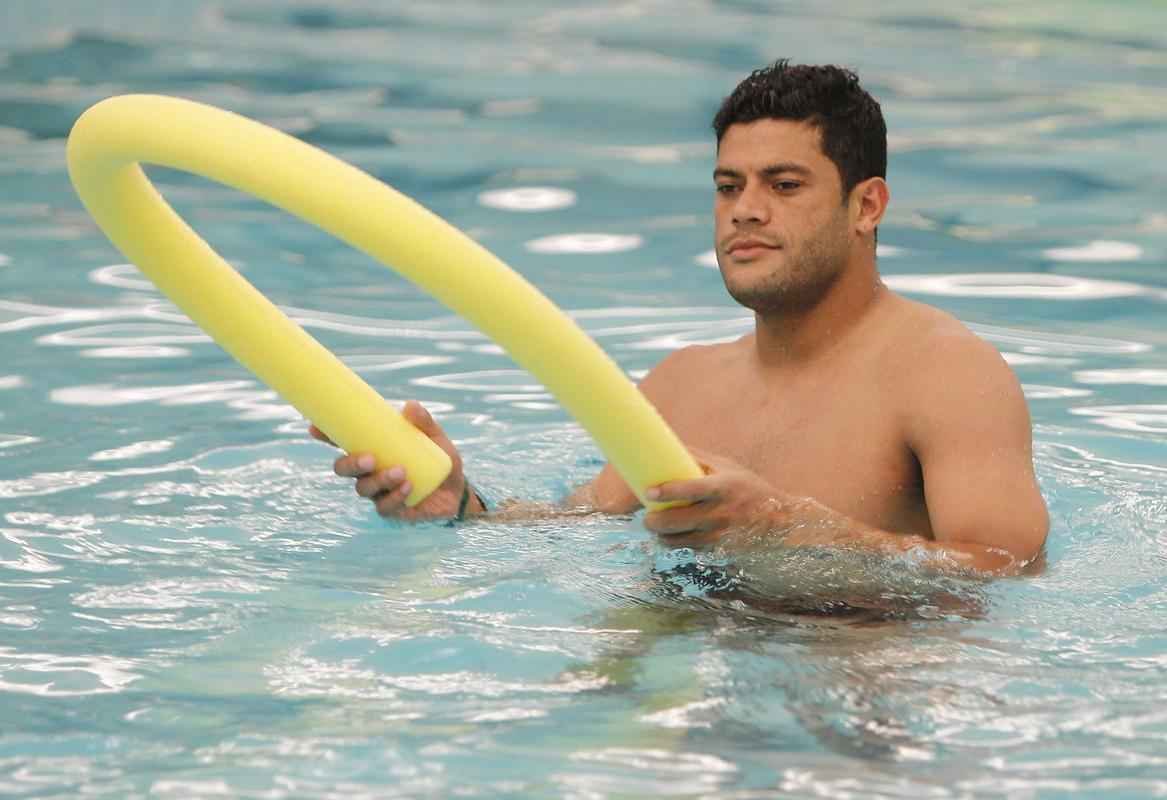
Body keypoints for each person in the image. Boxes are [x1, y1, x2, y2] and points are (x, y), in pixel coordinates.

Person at [310, 61, 1049, 575]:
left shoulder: (946, 374)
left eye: (784, 185)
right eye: (728, 186)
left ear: (867, 205)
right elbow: (578, 532)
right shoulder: (682, 384)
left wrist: (785, 527)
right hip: (687, 680)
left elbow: (1006, 571)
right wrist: (458, 506)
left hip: (855, 699)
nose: (745, 210)